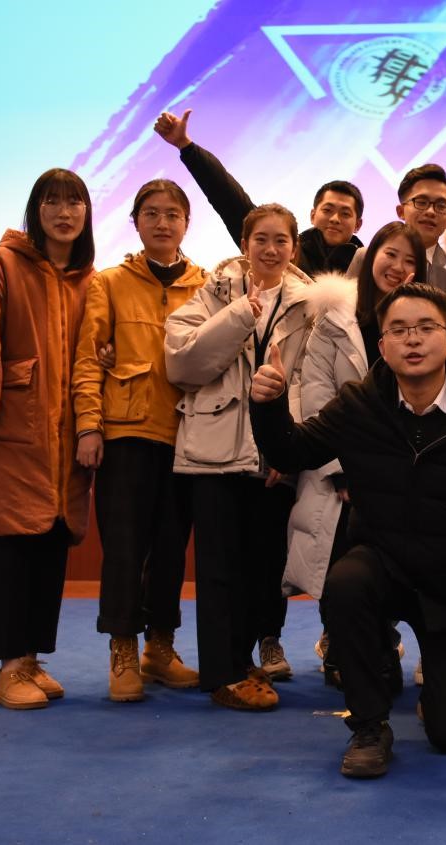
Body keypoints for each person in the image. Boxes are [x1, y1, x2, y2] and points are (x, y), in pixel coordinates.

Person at [250, 283, 446, 778]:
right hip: (382, 562)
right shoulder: (359, 405)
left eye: (425, 328)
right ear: (382, 346)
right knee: (346, 583)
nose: (412, 339)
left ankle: (439, 695)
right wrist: (269, 404)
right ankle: (369, 726)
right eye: (398, 330)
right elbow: (292, 451)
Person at [163, 203, 316, 710]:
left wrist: (287, 448)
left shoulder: (310, 305)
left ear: (294, 248)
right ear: (244, 245)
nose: (271, 249)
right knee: (218, 569)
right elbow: (182, 363)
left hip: (274, 456)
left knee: (262, 567)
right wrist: (238, 317)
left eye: (281, 240)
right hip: (215, 452)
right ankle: (223, 675)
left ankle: (243, 659)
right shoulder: (213, 294)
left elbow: (310, 381)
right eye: (261, 239)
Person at [0, 168, 96, 710]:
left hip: (63, 442)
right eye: (52, 202)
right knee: (10, 547)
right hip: (10, 432)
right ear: (36, 211)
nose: (64, 212)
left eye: (74, 202)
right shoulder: (5, 265)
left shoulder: (89, 278)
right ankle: (9, 667)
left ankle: (33, 659)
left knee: (50, 543)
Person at [71, 179, 204, 702]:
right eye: (151, 213)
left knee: (172, 549)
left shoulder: (208, 285)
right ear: (136, 222)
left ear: (186, 223)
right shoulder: (108, 282)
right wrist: (89, 425)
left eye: (173, 214)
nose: (162, 223)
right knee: (125, 550)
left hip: (188, 434)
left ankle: (160, 649)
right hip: (126, 431)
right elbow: (89, 358)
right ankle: (123, 649)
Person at [285, 222, 426, 685]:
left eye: (410, 260)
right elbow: (316, 394)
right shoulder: (335, 319)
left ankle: (382, 644)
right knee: (340, 560)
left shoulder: (423, 325)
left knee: (391, 562)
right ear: (371, 258)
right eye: (391, 255)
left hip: (401, 472)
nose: (398, 267)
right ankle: (341, 648)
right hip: (341, 470)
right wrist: (343, 470)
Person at [153, 108, 364, 274]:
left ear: (358, 224)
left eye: (345, 213)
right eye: (327, 210)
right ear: (312, 214)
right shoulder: (282, 248)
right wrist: (186, 147)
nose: (335, 219)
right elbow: (228, 197)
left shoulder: (369, 270)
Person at [346, 164, 446, 301]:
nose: (430, 212)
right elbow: (344, 309)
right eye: (421, 202)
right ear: (400, 211)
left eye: (441, 206)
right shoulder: (365, 257)